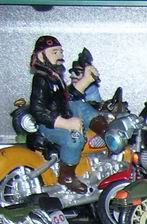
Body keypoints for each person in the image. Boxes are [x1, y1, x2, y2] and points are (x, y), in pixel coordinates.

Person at [28, 35, 105, 193]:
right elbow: (37, 110)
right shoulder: (41, 80)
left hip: (64, 112)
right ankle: (67, 175)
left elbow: (67, 97)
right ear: (41, 55)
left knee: (79, 105)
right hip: (49, 124)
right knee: (74, 140)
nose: (60, 56)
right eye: (55, 52)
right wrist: (66, 123)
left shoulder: (55, 76)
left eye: (60, 52)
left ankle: (106, 132)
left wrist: (86, 80)